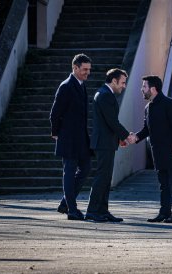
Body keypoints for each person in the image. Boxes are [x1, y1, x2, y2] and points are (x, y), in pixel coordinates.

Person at [133, 75, 172, 223]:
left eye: (144, 87)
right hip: (158, 152)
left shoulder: (168, 104)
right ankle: (165, 212)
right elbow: (146, 129)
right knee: (164, 184)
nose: (141, 89)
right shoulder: (148, 107)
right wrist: (135, 137)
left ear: (153, 89)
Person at [85, 68, 135, 222]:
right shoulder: (105, 95)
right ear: (113, 81)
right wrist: (127, 136)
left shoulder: (104, 93)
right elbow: (112, 121)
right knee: (102, 176)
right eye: (122, 82)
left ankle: (102, 210)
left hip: (106, 142)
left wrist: (119, 138)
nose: (124, 86)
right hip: (104, 143)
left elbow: (109, 123)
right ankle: (93, 210)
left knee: (106, 177)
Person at [50, 53, 92, 220]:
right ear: (75, 68)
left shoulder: (81, 84)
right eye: (84, 69)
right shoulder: (66, 86)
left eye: (89, 70)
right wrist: (55, 133)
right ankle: (72, 210)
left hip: (81, 139)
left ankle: (65, 203)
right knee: (69, 173)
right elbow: (55, 113)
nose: (87, 72)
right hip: (68, 138)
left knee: (86, 168)